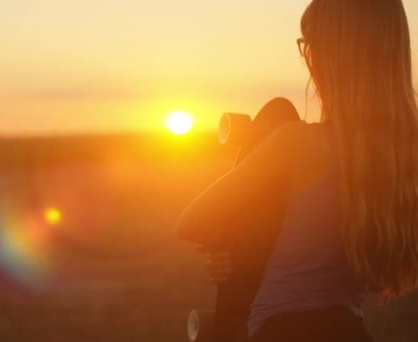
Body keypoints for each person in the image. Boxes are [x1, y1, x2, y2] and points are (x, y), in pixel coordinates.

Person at [176, 0, 418, 341]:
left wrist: (236, 246)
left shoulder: (296, 143)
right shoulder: (404, 155)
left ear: (333, 54)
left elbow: (191, 220)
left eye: (310, 44)